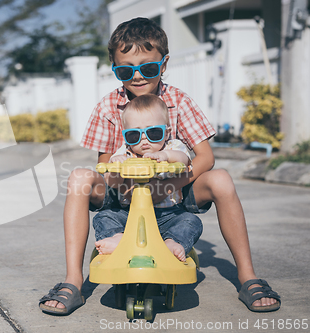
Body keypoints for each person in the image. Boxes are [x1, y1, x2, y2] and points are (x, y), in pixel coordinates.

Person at [39, 17, 280, 315]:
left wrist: (168, 185)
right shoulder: (107, 106)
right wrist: (130, 184)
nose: (137, 77)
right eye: (126, 70)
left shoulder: (179, 100)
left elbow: (205, 157)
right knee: (77, 177)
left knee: (221, 180)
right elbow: (104, 165)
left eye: (148, 68)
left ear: (163, 65)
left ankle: (247, 276)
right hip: (124, 193)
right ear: (115, 69)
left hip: (173, 192)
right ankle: (73, 280)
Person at [93, 94, 202, 263]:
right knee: (104, 217)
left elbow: (184, 160)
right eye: (134, 135)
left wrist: (165, 155)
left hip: (169, 214)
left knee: (190, 221)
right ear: (126, 137)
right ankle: (117, 238)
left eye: (153, 132)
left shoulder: (173, 147)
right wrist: (117, 168)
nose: (144, 139)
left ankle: (173, 242)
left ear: (166, 133)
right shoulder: (125, 153)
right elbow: (112, 183)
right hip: (130, 216)